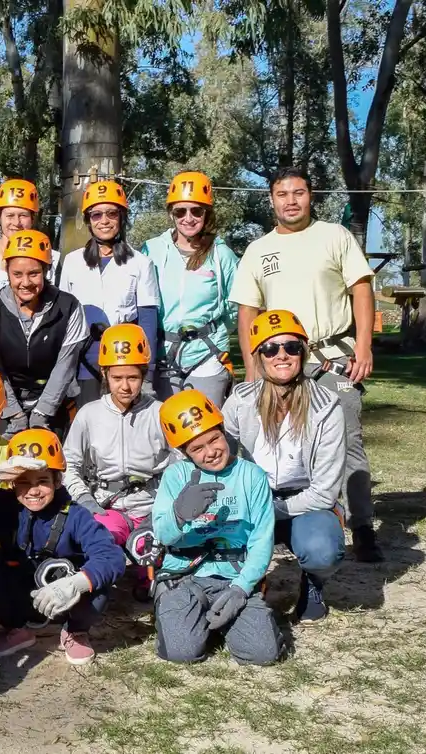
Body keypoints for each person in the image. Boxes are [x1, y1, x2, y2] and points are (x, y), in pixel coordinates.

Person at [229, 167, 380, 563]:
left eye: (298, 192)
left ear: (311, 196)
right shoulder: (258, 250)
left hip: (330, 358)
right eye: (282, 194)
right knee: (272, 445)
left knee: (348, 441)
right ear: (272, 200)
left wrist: (363, 346)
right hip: (277, 360)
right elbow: (247, 313)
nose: (290, 200)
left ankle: (362, 526)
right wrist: (251, 366)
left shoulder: (335, 236)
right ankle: (277, 522)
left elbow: (361, 290)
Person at [0, 429, 125, 665]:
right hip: (23, 593)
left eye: (43, 481)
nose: (33, 491)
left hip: (66, 597)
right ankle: (17, 630)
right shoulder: (5, 507)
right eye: (23, 482)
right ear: (12, 483)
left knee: (100, 586)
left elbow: (111, 556)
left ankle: (75, 632)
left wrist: (75, 584)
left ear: (57, 480)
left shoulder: (76, 515)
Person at [221, 310, 346, 622]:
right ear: (258, 356)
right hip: (253, 497)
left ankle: (314, 582)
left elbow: (324, 492)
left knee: (322, 550)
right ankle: (249, 578)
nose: (282, 355)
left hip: (304, 503)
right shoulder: (240, 400)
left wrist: (270, 511)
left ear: (303, 353)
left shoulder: (327, 407)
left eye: (291, 347)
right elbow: (219, 457)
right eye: (270, 348)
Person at [148, 390, 280, 665]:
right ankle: (178, 612)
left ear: (223, 431)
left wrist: (242, 589)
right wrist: (179, 514)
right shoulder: (176, 476)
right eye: (197, 449)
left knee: (263, 654)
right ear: (184, 452)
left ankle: (221, 620)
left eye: (214, 439)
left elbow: (261, 540)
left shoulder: (252, 476)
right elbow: (162, 534)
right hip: (185, 575)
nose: (210, 452)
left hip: (234, 576)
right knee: (182, 652)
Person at [62, 325, 172, 562]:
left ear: (144, 375)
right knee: (103, 544)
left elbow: (181, 462)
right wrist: (84, 499)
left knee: (152, 562)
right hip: (107, 504)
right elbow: (68, 464)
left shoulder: (161, 412)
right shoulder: (88, 414)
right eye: (117, 378)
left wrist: (167, 503)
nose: (125, 386)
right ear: (104, 374)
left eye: (133, 378)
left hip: (154, 506)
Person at [54, 180, 160, 407]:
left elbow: (148, 320)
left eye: (112, 213)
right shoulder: (73, 262)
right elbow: (62, 319)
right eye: (96, 215)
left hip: (125, 361)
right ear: (88, 220)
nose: (104, 221)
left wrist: (147, 372)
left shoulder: (141, 263)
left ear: (122, 218)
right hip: (84, 362)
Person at [141, 171, 239, 405]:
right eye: (180, 211)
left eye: (197, 211)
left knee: (207, 430)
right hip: (164, 354)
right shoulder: (151, 250)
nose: (188, 218)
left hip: (207, 354)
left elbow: (235, 306)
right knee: (166, 433)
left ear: (207, 214)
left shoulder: (221, 255)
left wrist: (215, 332)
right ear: (170, 214)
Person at [0, 229, 89, 434]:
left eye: (34, 274)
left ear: (46, 270)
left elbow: (65, 366)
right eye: (17, 274)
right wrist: (14, 413)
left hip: (53, 405)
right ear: (7, 272)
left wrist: (42, 413)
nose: (25, 283)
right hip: (5, 405)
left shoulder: (68, 307)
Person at [0, 178, 42, 295]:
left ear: (33, 218)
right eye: (10, 215)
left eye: (23, 215)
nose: (16, 222)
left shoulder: (50, 260)